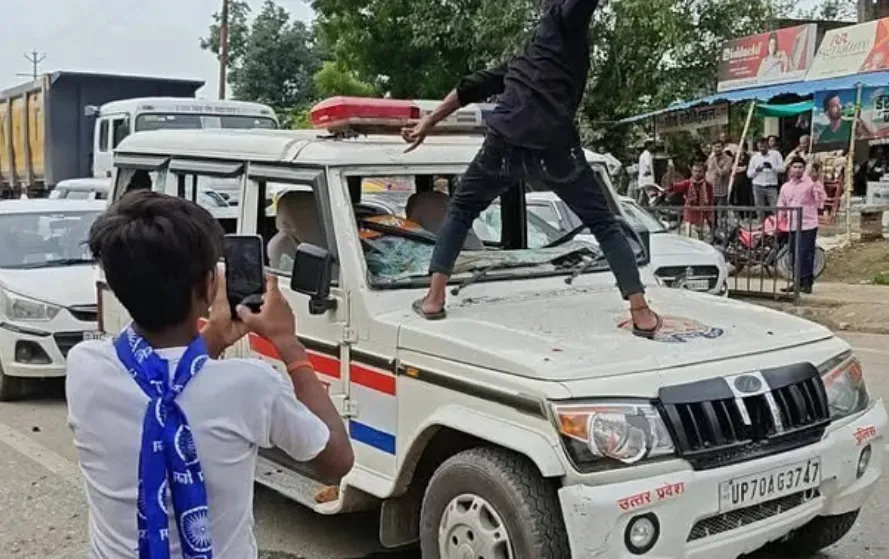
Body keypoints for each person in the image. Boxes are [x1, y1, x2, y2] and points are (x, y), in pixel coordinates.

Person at [67, 191, 354, 557]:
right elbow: (336, 461)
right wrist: (287, 342)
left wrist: (215, 336)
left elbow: (168, 382)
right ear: (207, 286)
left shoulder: (85, 367)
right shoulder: (252, 385)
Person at [401, 0, 660, 335]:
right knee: (604, 224)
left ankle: (434, 299)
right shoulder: (563, 24)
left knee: (462, 209)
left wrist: (429, 122)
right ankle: (640, 311)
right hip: (556, 149)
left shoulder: (524, 61)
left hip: (504, 145)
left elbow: (470, 86)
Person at [778, 157, 827, 294]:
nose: (797, 170)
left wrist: (816, 182)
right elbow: (782, 205)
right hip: (793, 225)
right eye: (795, 167)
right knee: (794, 253)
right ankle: (796, 281)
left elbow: (820, 201)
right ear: (790, 169)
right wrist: (778, 221)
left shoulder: (810, 184)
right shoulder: (785, 187)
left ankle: (807, 282)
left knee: (806, 253)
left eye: (800, 167)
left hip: (808, 224)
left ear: (804, 169)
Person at [748, 137, 785, 218]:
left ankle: (777, 224)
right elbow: (749, 174)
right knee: (759, 208)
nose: (762, 149)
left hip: (771, 185)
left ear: (767, 145)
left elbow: (783, 169)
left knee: (775, 206)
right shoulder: (754, 157)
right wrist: (757, 170)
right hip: (758, 185)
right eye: (760, 147)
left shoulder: (776, 154)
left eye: (764, 147)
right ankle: (761, 225)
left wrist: (772, 167)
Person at [676, 161, 712, 238]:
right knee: (690, 237)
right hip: (689, 214)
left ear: (704, 172)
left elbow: (710, 201)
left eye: (699, 171)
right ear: (692, 172)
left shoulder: (708, 185)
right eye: (695, 171)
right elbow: (676, 187)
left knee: (703, 238)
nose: (697, 173)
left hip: (702, 215)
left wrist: (709, 215)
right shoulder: (687, 183)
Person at [706, 140, 733, 228]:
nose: (717, 149)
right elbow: (708, 171)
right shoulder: (710, 158)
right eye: (715, 147)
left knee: (722, 215)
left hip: (721, 191)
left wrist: (715, 163)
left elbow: (722, 172)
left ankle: (722, 233)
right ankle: (713, 232)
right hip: (710, 190)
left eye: (719, 146)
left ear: (723, 147)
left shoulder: (728, 159)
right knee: (710, 215)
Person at [731, 141, 754, 218]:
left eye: (741, 148)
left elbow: (746, 168)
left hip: (745, 181)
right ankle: (740, 215)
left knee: (746, 198)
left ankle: (747, 214)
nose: (739, 150)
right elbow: (732, 167)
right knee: (738, 197)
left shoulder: (748, 157)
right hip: (737, 181)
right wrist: (738, 168)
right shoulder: (735, 156)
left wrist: (741, 168)